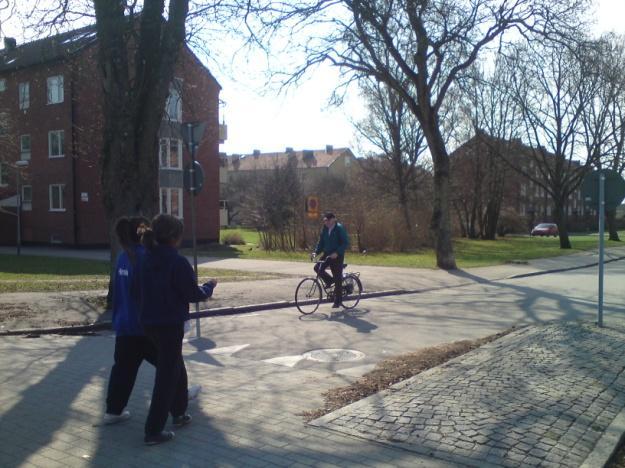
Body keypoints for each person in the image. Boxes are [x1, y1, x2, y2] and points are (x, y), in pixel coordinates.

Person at [139, 214, 217, 446]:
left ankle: (179, 412)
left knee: (175, 366)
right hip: (169, 324)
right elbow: (192, 293)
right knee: (166, 376)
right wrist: (209, 287)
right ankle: (153, 431)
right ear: (174, 237)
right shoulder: (176, 262)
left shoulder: (146, 258)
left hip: (149, 323)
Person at [103, 216, 155, 425]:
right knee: (172, 364)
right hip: (144, 326)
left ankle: (113, 410)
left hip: (124, 324)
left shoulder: (123, 258)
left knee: (123, 370)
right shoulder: (145, 257)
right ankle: (180, 398)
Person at [311, 212, 349, 308]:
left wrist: (337, 252)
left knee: (337, 278)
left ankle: (338, 300)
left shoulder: (339, 228)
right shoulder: (325, 228)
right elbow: (321, 242)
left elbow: (345, 243)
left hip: (337, 255)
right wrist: (316, 252)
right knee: (317, 268)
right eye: (324, 221)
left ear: (333, 220)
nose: (326, 222)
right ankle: (329, 281)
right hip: (327, 253)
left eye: (327, 220)